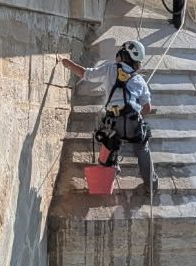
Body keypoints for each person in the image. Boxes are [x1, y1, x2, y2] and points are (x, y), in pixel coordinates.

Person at [61, 39, 158, 194]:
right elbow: (147, 108)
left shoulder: (110, 69)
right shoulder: (139, 80)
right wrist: (136, 111)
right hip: (132, 124)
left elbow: (85, 73)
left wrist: (68, 63)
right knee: (142, 148)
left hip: (113, 124)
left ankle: (111, 166)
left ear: (123, 55)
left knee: (107, 134)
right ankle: (151, 185)